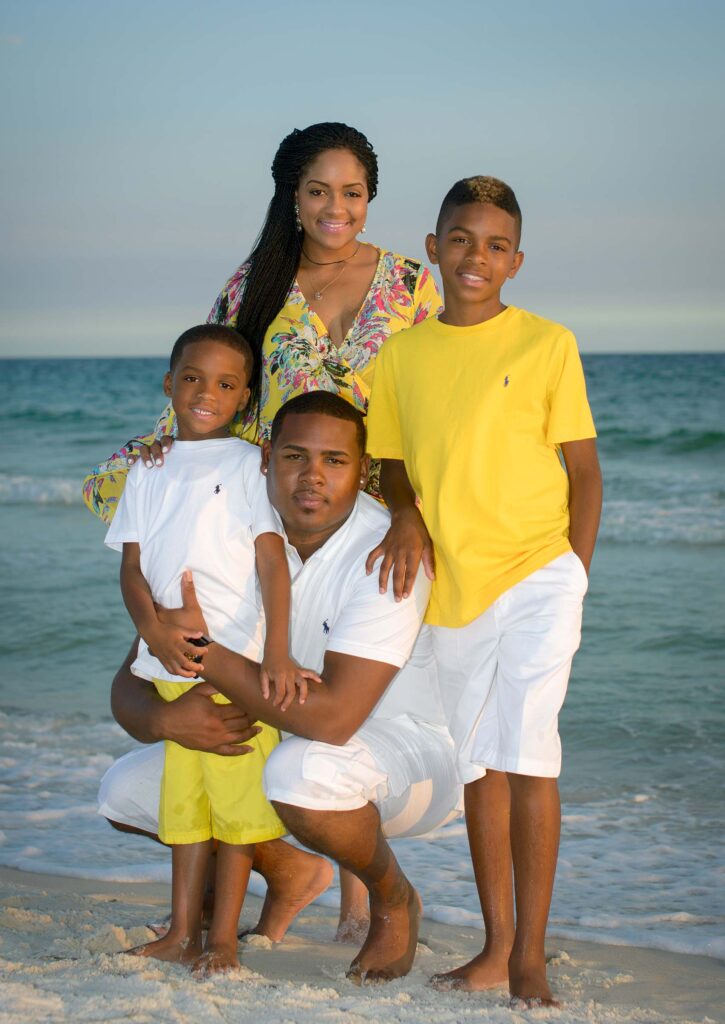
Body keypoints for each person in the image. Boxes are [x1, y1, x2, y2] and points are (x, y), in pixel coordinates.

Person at [99, 392, 460, 984]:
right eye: (294, 456)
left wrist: (203, 656)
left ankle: (393, 896)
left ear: (361, 469)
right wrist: (166, 720)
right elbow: (131, 678)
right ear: (264, 460)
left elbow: (334, 720)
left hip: (408, 758)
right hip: (280, 733)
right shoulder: (226, 532)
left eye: (335, 461)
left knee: (301, 772)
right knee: (125, 792)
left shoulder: (388, 552)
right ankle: (286, 868)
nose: (312, 476)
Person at [366, 176, 603, 1005]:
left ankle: (530, 959)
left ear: (516, 262)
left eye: (495, 245)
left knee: (528, 752)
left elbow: (583, 471)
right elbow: (390, 458)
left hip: (540, 573)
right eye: (460, 239)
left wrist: (572, 573)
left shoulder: (547, 344)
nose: (476, 257)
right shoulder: (400, 355)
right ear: (432, 248)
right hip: (454, 589)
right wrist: (403, 514)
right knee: (480, 769)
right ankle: (496, 947)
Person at [82, 120, 441, 524]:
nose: (336, 208)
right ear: (295, 195)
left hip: (384, 504)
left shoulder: (409, 284)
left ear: (368, 198)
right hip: (275, 507)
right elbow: (212, 378)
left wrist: (410, 511)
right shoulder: (253, 285)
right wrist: (171, 447)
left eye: (351, 193)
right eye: (318, 191)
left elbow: (434, 400)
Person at [105, 324, 318, 976]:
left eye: (226, 384)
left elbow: (273, 565)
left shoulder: (249, 464)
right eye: (192, 378)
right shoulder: (147, 467)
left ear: (243, 397)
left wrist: (275, 656)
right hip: (167, 662)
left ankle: (221, 939)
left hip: (236, 663)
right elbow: (132, 568)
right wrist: (153, 631)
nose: (206, 393)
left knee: (235, 811)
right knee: (184, 807)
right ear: (170, 385)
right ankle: (182, 932)